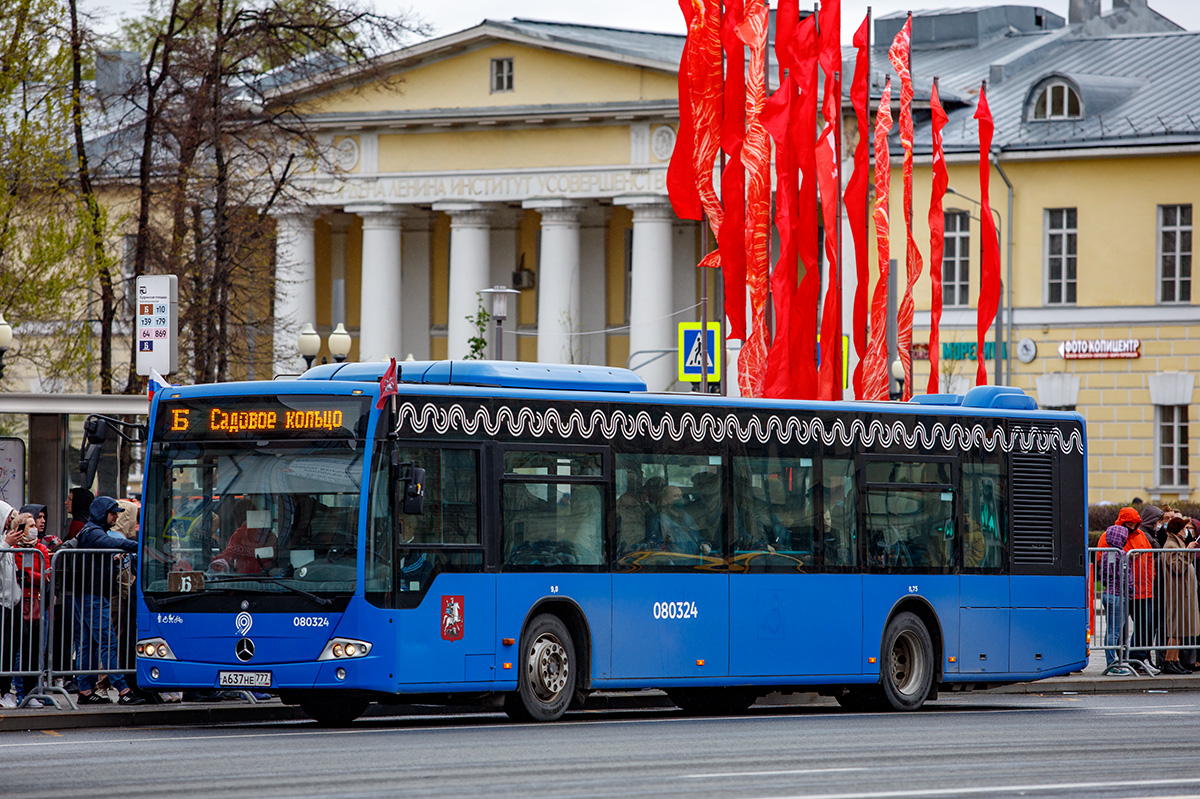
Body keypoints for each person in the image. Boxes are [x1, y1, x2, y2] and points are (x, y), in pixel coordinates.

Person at [74, 496, 143, 705]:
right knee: (108, 642)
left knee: (89, 644)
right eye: (113, 512)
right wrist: (136, 545)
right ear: (102, 513)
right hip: (93, 596)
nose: (115, 517)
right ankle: (123, 690)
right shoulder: (94, 532)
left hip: (90, 595)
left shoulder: (91, 530)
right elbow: (111, 543)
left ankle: (85, 689)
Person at [11, 512, 50, 707]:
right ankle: (18, 692)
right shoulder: (12, 549)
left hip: (36, 603)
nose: (35, 527)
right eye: (30, 524)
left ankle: (31, 692)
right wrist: (29, 576)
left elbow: (46, 575)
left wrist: (27, 575)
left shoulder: (41, 548)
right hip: (17, 605)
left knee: (35, 651)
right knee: (19, 651)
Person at [1096, 508, 1137, 674]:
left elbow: (1104, 576)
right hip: (1118, 595)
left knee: (1111, 630)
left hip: (1108, 593)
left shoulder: (1107, 553)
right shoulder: (1122, 554)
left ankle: (1112, 662)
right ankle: (1113, 664)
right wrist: (1131, 591)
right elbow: (1126, 577)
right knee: (1115, 631)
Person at [1158, 516, 1200, 674]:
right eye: (1184, 528)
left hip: (1182, 593)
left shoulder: (1176, 543)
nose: (1187, 530)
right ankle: (1169, 661)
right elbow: (1178, 568)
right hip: (1177, 594)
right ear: (1178, 530)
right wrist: (1188, 551)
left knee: (1180, 629)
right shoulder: (1171, 545)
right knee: (1176, 630)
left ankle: (1174, 660)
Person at [1127, 504, 1160, 674]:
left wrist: (1151, 577)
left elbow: (1149, 559)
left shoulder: (1141, 535)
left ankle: (1139, 658)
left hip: (1145, 588)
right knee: (1139, 626)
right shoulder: (1121, 535)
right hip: (1133, 589)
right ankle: (1135, 658)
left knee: (1144, 626)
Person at [0, 501, 22, 708]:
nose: (9, 523)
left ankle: (5, 690)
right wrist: (5, 544)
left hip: (10, 603)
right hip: (1, 603)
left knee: (9, 648)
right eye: (7, 518)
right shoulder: (3, 542)